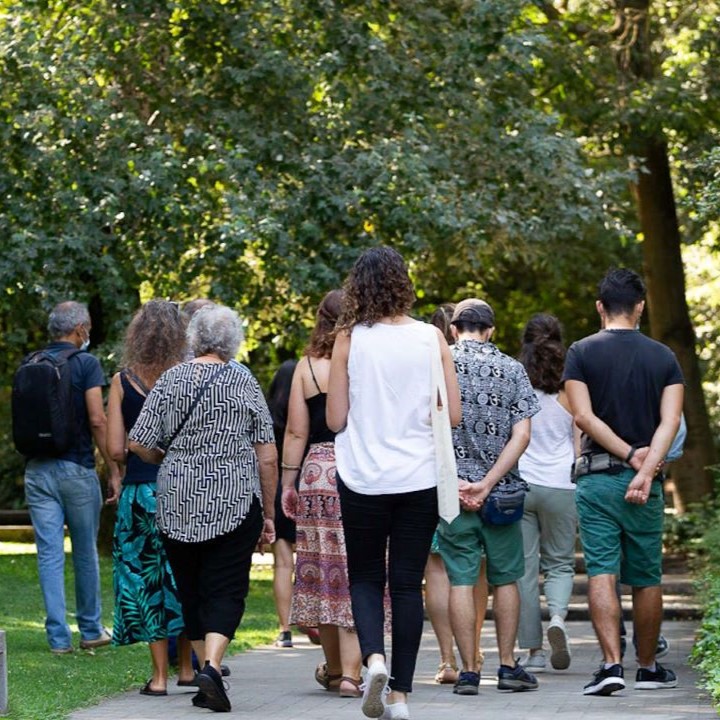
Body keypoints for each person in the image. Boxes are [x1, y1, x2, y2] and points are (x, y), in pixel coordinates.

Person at [328, 246, 461, 720]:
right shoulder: (431, 337)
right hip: (419, 476)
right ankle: (401, 696)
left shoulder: (349, 338)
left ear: (357, 286)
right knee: (407, 585)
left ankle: (374, 661)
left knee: (364, 576)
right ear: (403, 283)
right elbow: (455, 413)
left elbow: (336, 416)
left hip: (362, 474)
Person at [128, 304, 277, 712]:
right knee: (226, 587)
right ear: (233, 342)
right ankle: (210, 667)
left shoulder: (171, 378)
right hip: (234, 499)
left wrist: (165, 459)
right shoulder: (243, 379)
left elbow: (137, 441)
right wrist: (268, 512)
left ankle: (205, 675)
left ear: (193, 338)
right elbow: (266, 453)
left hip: (177, 500)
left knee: (191, 590)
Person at [563, 268, 684, 696]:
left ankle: (611, 665)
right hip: (644, 485)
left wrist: (627, 455)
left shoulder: (580, 352)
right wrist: (646, 468)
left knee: (602, 571)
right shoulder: (664, 357)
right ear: (640, 307)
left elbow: (583, 417)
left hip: (597, 480)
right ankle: (648, 668)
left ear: (600, 307)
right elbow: (671, 422)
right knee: (647, 576)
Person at [437, 298, 540, 696]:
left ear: (453, 329)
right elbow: (523, 434)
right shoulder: (513, 369)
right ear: (491, 330)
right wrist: (489, 482)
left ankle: (467, 672)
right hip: (502, 497)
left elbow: (426, 425)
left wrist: (460, 482)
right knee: (506, 579)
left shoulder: (439, 367)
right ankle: (508, 666)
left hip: (452, 493)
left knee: (461, 579)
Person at [106, 300, 195, 695]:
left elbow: (113, 448)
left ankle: (158, 677)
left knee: (146, 580)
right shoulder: (188, 377)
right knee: (186, 576)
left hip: (140, 491)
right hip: (184, 490)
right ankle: (188, 669)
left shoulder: (121, 381)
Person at [23, 301, 120, 654]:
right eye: (88, 327)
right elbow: (98, 419)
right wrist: (113, 469)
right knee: (84, 553)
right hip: (75, 470)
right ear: (80, 329)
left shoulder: (31, 362)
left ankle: (57, 638)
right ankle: (91, 629)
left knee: (49, 554)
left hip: (37, 470)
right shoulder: (85, 363)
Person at [281, 290, 363, 698]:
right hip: (358, 468)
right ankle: (351, 672)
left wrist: (287, 483)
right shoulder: (364, 361)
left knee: (323, 574)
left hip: (316, 472)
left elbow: (296, 430)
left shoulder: (306, 367)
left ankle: (333, 670)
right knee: (355, 571)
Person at [424, 304, 489, 685]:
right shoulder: (472, 366)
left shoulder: (430, 368)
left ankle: (447, 659)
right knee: (473, 567)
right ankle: (474, 652)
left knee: (436, 568)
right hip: (476, 481)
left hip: (433, 480)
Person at [516, 314, 579, 673]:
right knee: (560, 562)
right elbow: (578, 439)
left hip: (524, 484)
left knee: (524, 569)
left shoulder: (518, 382)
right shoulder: (571, 387)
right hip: (561, 485)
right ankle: (557, 617)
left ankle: (534, 652)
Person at [266, 359, 300, 649]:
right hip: (305, 480)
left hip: (276, 485)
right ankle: (315, 621)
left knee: (282, 563)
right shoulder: (308, 413)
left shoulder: (269, 420)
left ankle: (285, 628)